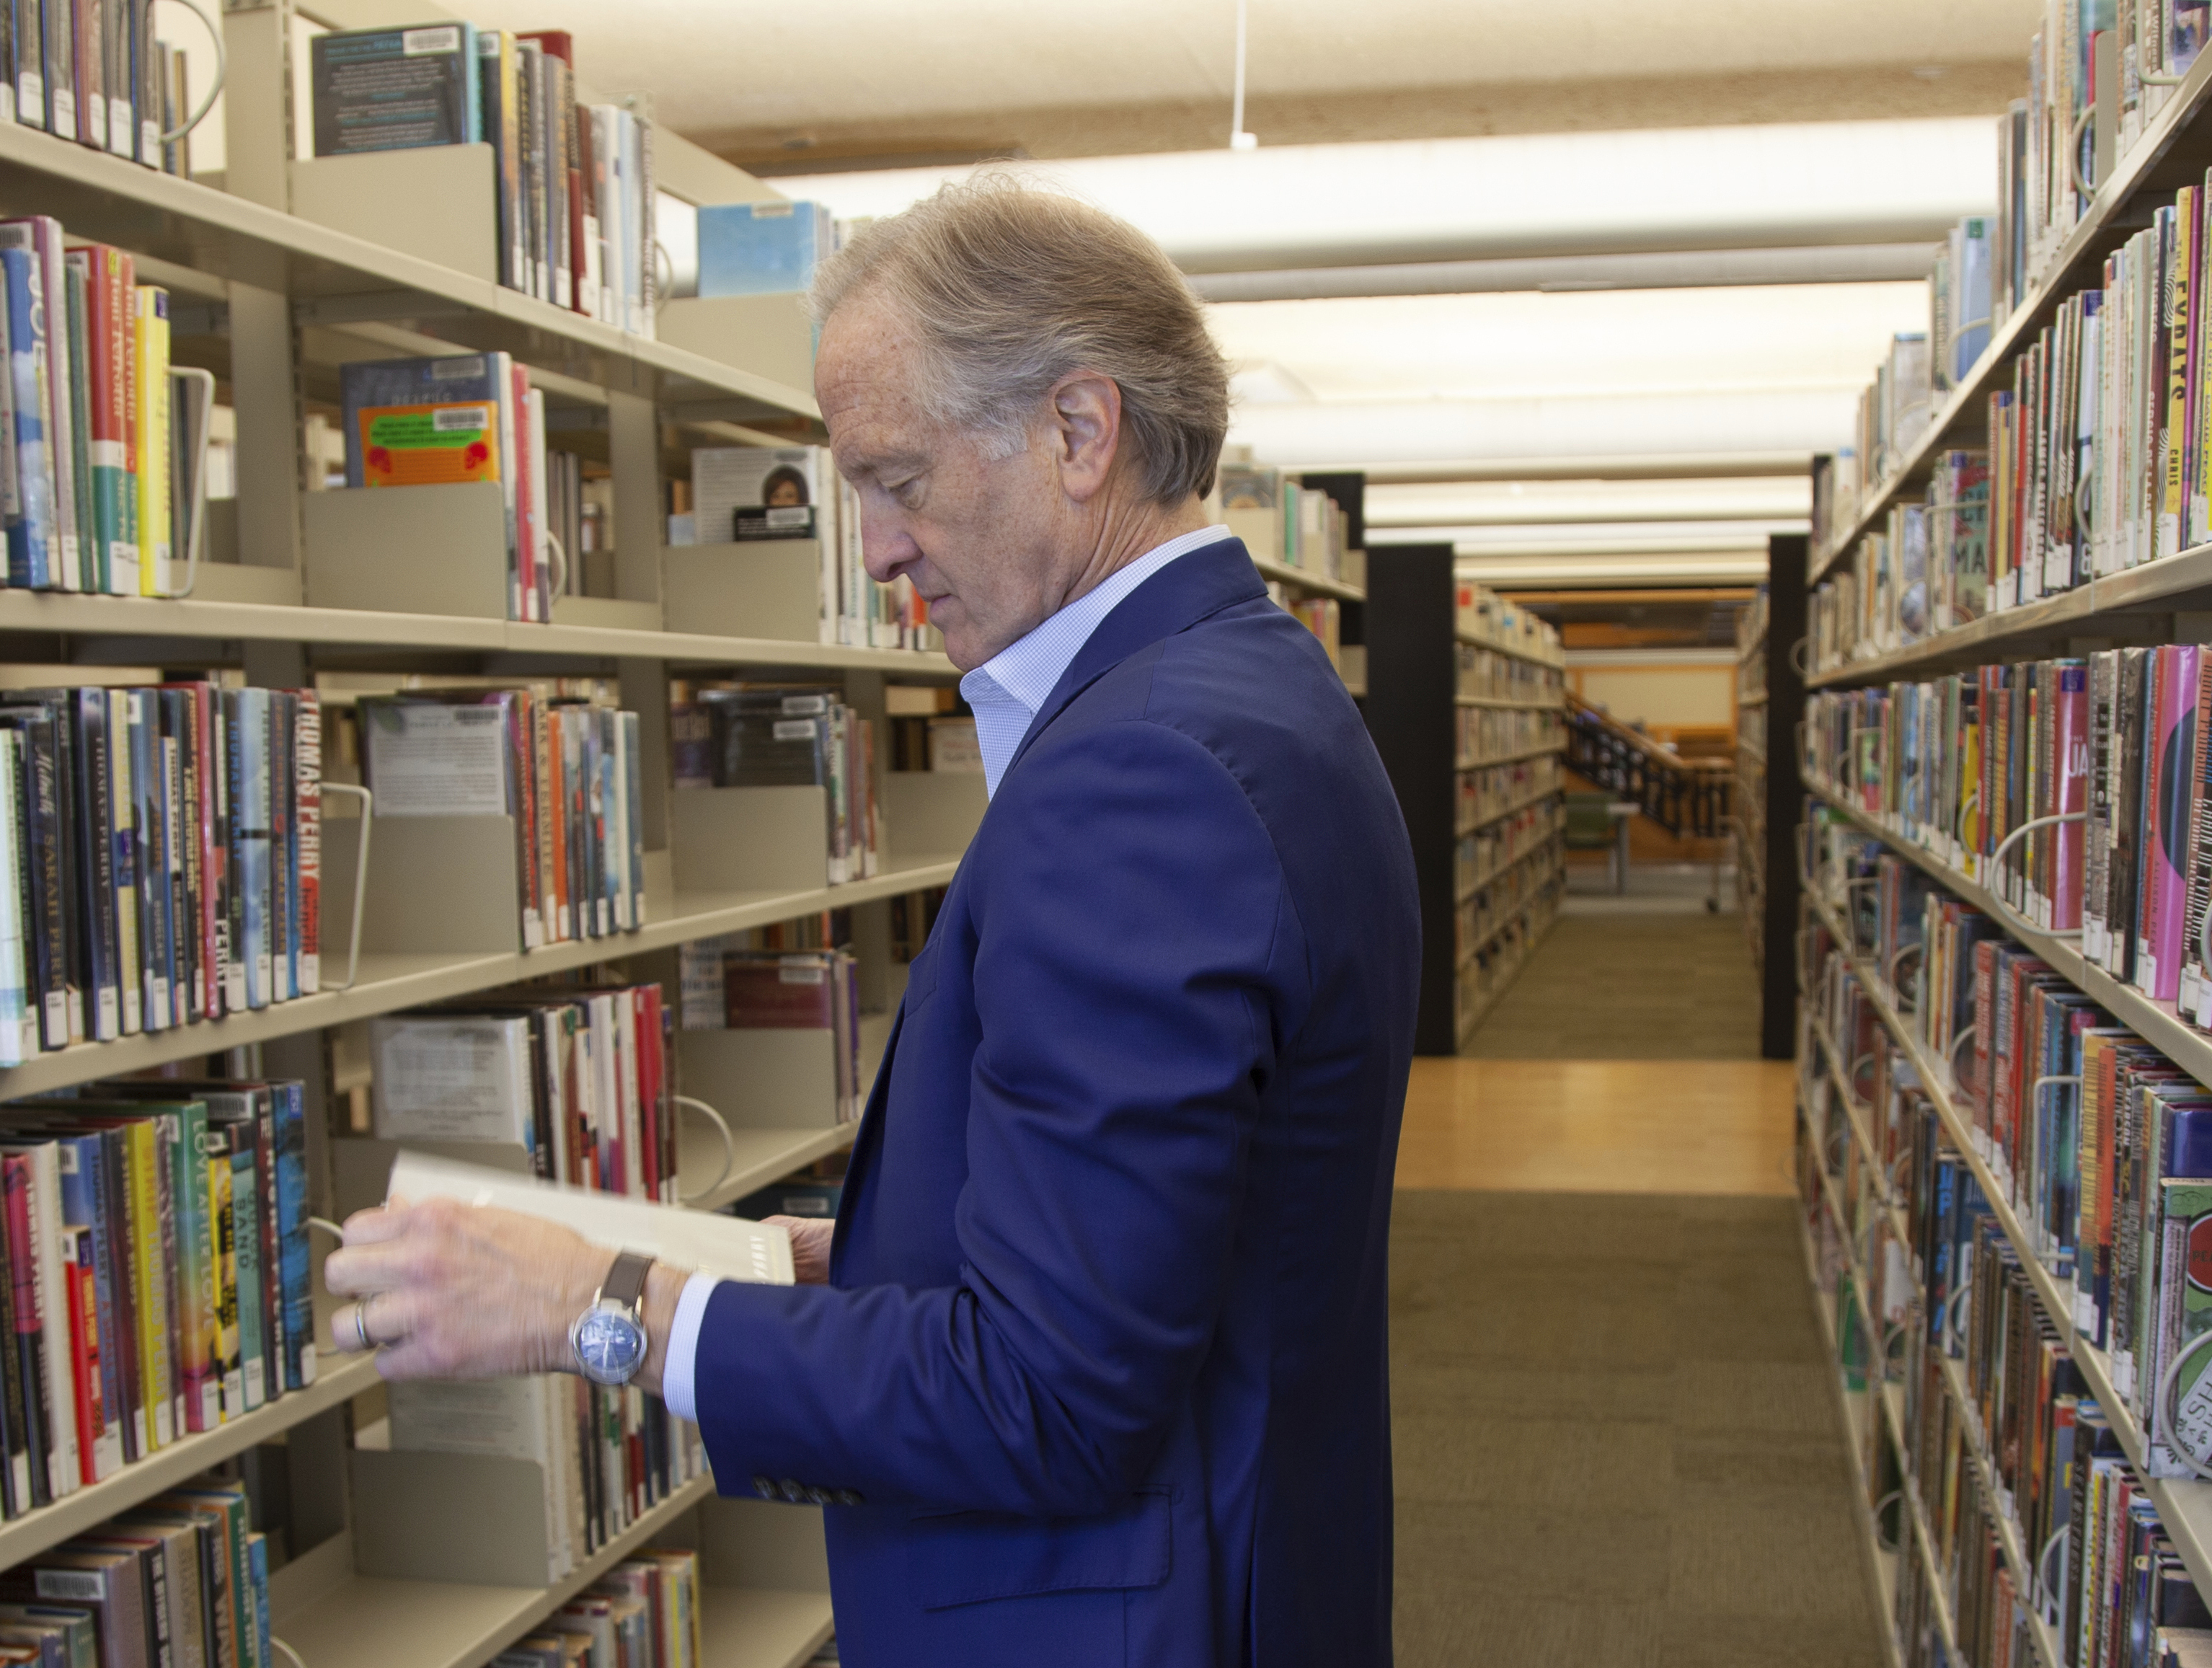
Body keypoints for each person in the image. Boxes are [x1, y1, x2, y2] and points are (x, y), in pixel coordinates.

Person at [324, 179, 1422, 1668]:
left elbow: (1044, 1395)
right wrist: (898, 1251)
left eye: (898, 477)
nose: (877, 546)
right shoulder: (1258, 689)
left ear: (1079, 432)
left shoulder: (1141, 773)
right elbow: (1188, 1226)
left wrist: (606, 1304)